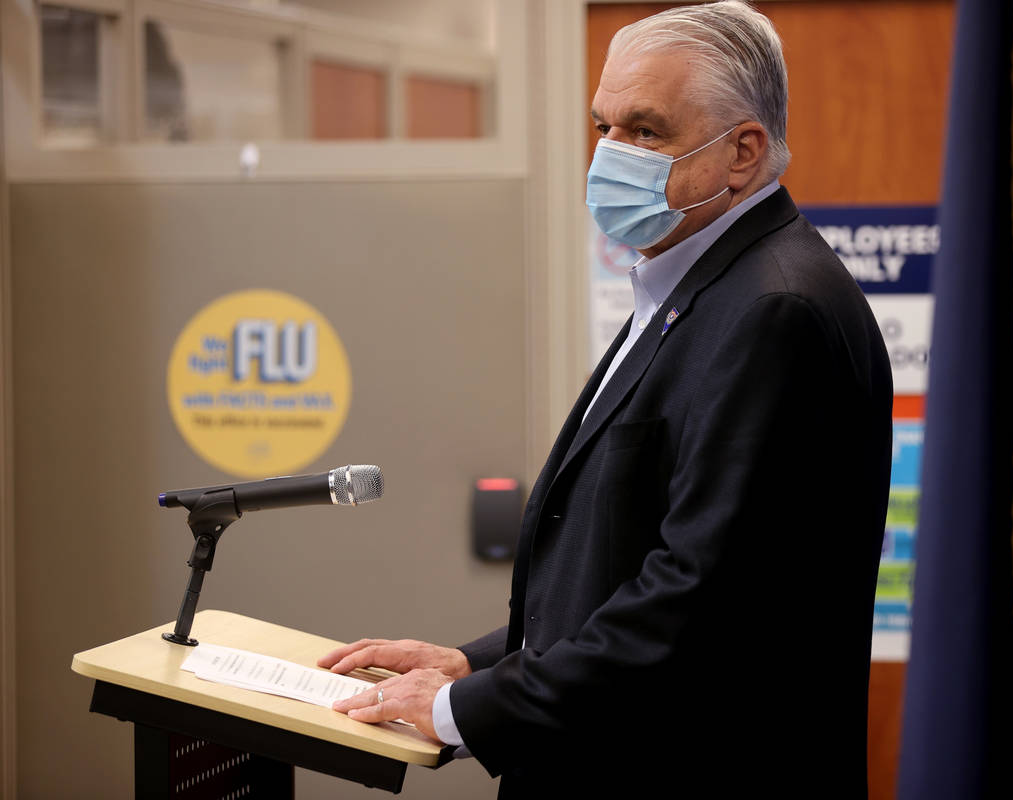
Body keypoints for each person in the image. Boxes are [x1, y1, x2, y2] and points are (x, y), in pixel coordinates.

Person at [319, 2, 892, 796]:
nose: (611, 155)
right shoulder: (697, 283)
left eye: (646, 131)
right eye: (604, 127)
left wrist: (461, 708)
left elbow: (694, 605)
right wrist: (476, 662)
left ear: (743, 152)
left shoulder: (774, 311)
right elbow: (621, 566)